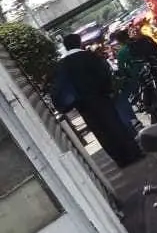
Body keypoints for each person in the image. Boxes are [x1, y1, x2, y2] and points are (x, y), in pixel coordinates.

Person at [52, 34, 143, 167]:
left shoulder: (62, 65)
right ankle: (132, 153)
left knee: (101, 132)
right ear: (79, 43)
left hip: (83, 106)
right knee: (115, 125)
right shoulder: (89, 56)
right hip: (101, 98)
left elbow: (61, 86)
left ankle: (120, 159)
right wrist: (109, 90)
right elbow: (104, 73)